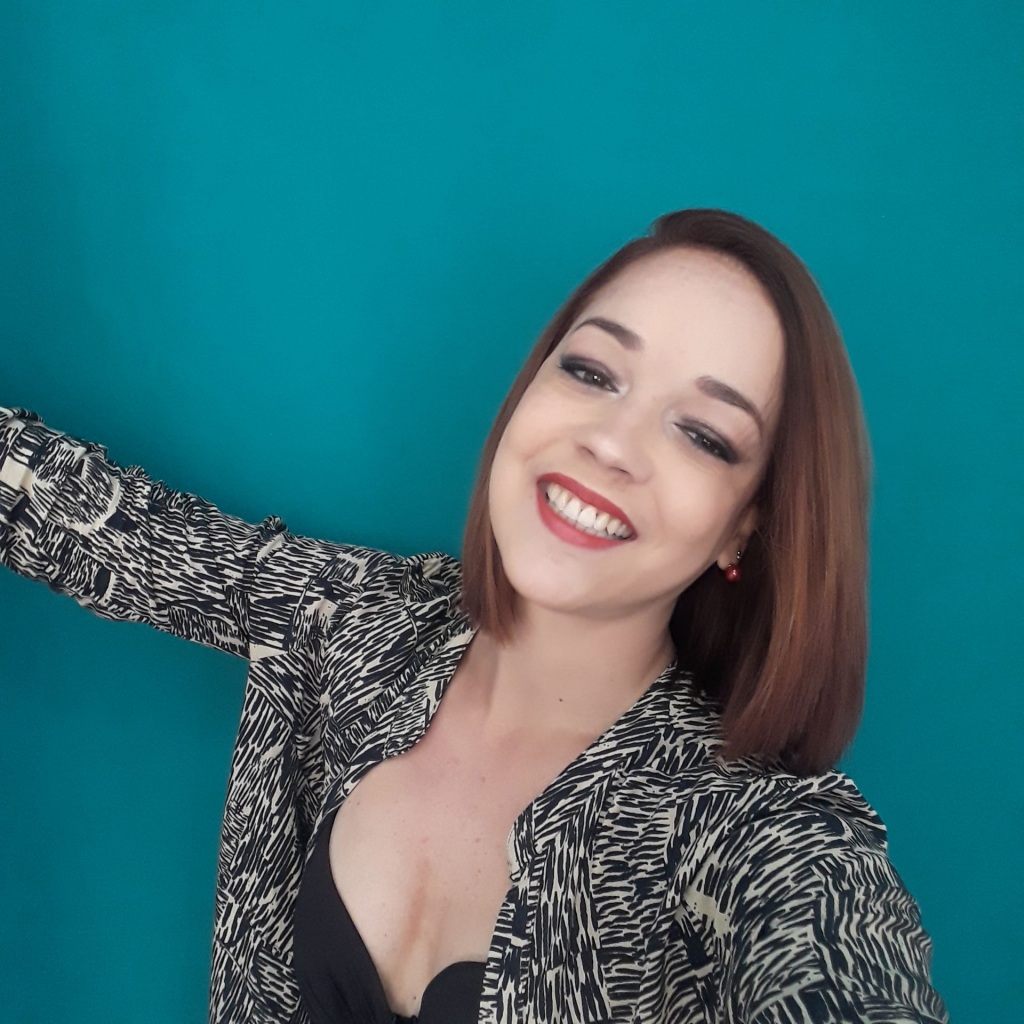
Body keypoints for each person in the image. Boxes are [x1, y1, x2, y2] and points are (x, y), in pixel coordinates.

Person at [0, 208, 947, 1024]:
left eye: (703, 434)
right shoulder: (352, 623)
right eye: (593, 372)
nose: (611, 442)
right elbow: (93, 522)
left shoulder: (750, 831)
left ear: (744, 527)